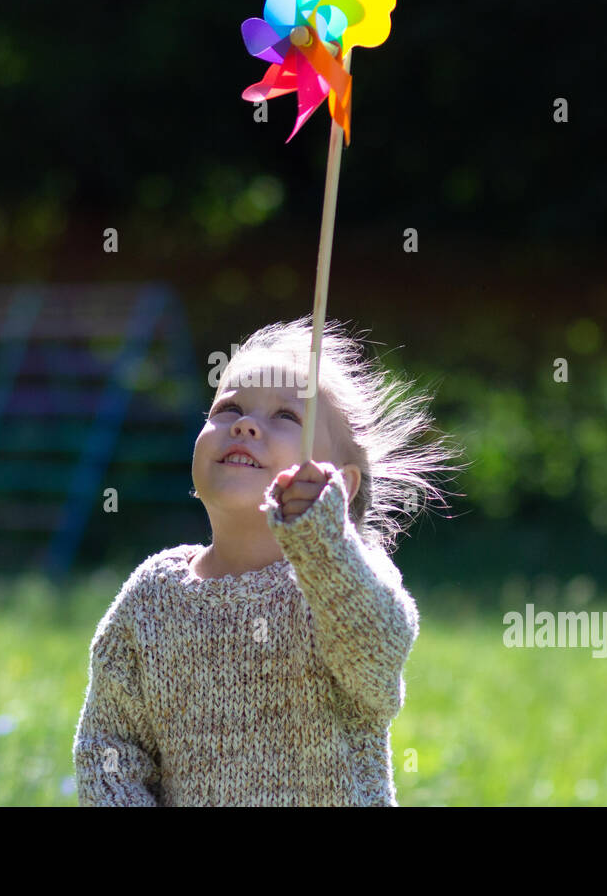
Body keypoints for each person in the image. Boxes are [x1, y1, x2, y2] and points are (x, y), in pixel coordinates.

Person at [72, 315, 465, 805]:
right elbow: (110, 748)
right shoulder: (152, 597)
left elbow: (379, 659)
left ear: (339, 485)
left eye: (286, 417)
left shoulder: (342, 579)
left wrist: (323, 542)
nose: (244, 423)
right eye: (228, 407)